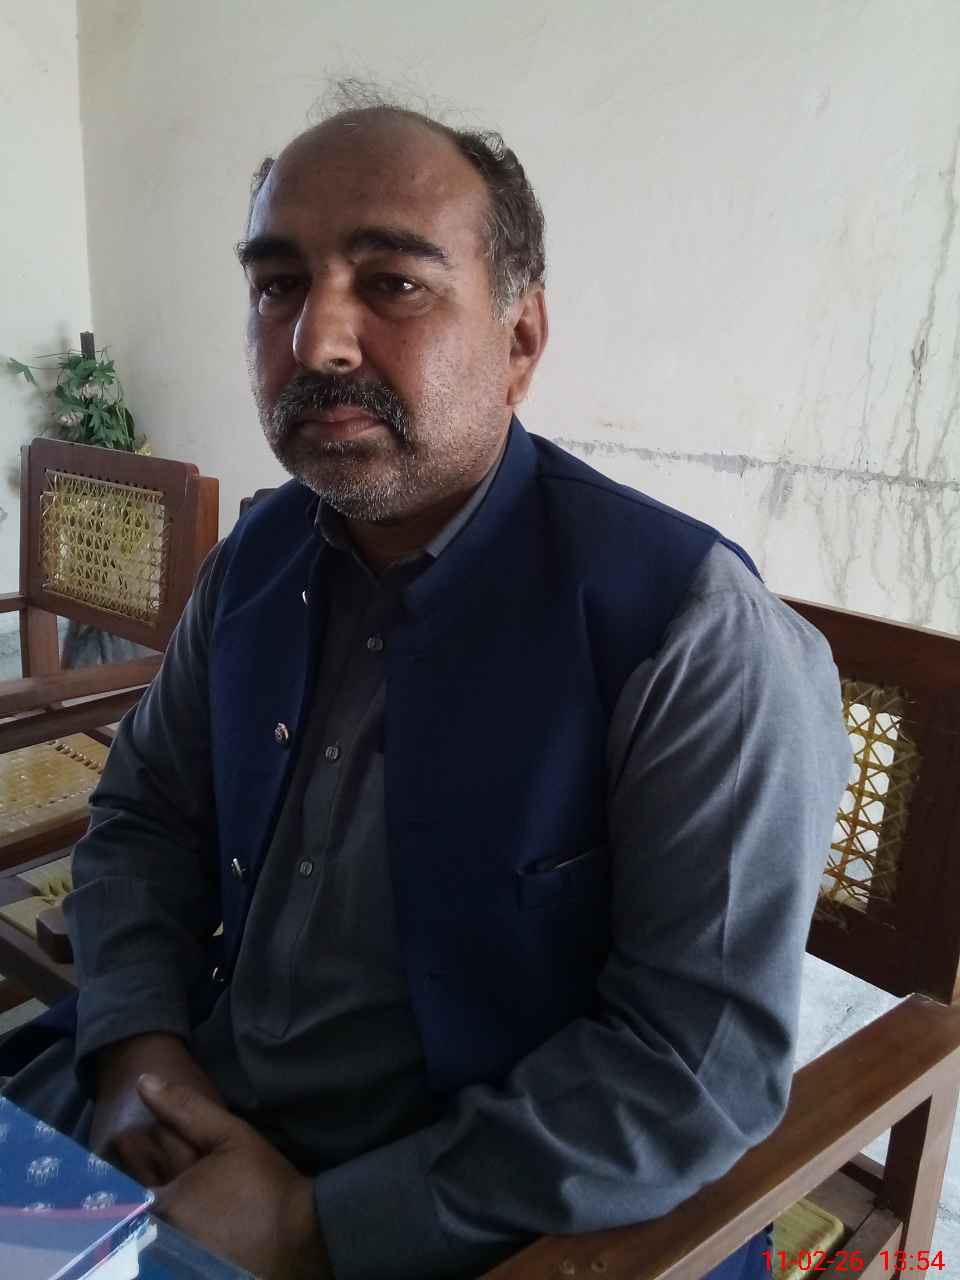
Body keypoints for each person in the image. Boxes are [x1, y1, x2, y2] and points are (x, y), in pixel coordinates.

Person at [4, 88, 852, 1280]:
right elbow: (144, 816)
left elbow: (687, 1068)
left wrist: (318, 1224)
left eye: (394, 283)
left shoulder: (690, 637)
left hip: (479, 1204)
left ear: (521, 341)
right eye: (278, 284)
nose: (316, 341)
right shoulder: (257, 558)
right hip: (193, 1102)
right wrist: (140, 1045)